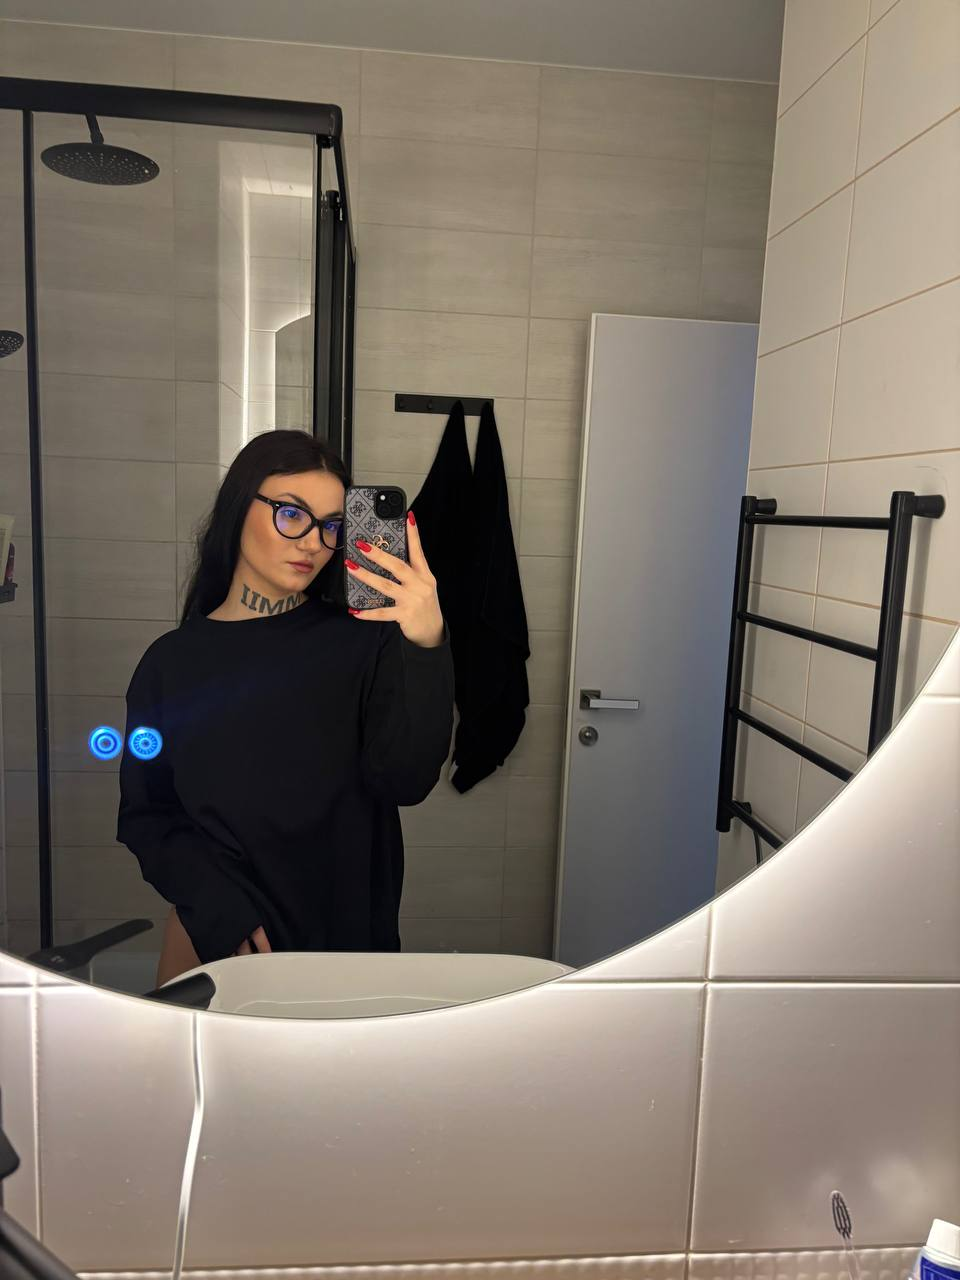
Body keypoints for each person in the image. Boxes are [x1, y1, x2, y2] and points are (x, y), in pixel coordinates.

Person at [116, 429, 454, 987]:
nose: (313, 543)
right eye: (292, 514)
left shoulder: (365, 641)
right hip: (218, 941)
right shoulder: (169, 664)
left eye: (331, 525)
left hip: (344, 944)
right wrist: (216, 906)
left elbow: (406, 780)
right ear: (238, 506)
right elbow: (146, 814)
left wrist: (426, 641)